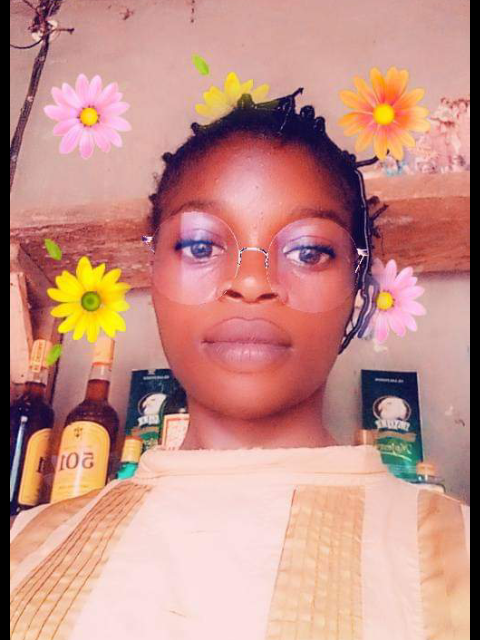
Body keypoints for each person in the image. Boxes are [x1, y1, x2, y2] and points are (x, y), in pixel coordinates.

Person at [10, 88, 469, 640]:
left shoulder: (454, 552)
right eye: (201, 246)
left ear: (356, 285)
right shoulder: (27, 546)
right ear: (153, 272)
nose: (251, 282)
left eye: (308, 251)